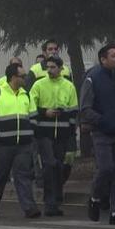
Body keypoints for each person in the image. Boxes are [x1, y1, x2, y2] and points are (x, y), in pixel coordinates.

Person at [81, 43, 115, 225]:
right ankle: (95, 198)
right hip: (102, 133)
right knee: (106, 168)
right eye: (114, 55)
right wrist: (102, 121)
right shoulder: (93, 78)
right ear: (103, 59)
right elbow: (85, 108)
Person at [0, 63, 40, 218]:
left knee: (23, 176)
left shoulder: (26, 95)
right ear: (14, 77)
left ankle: (29, 208)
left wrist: (29, 132)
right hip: (3, 146)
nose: (25, 78)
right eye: (23, 76)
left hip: (23, 145)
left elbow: (33, 116)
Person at [29, 56, 78, 216]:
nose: (49, 70)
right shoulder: (39, 85)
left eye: (52, 67)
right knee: (49, 165)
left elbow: (73, 110)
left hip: (62, 133)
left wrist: (70, 131)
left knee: (58, 166)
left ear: (60, 68)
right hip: (44, 133)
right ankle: (49, 202)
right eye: (47, 67)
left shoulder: (69, 86)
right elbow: (31, 106)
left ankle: (55, 201)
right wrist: (45, 112)